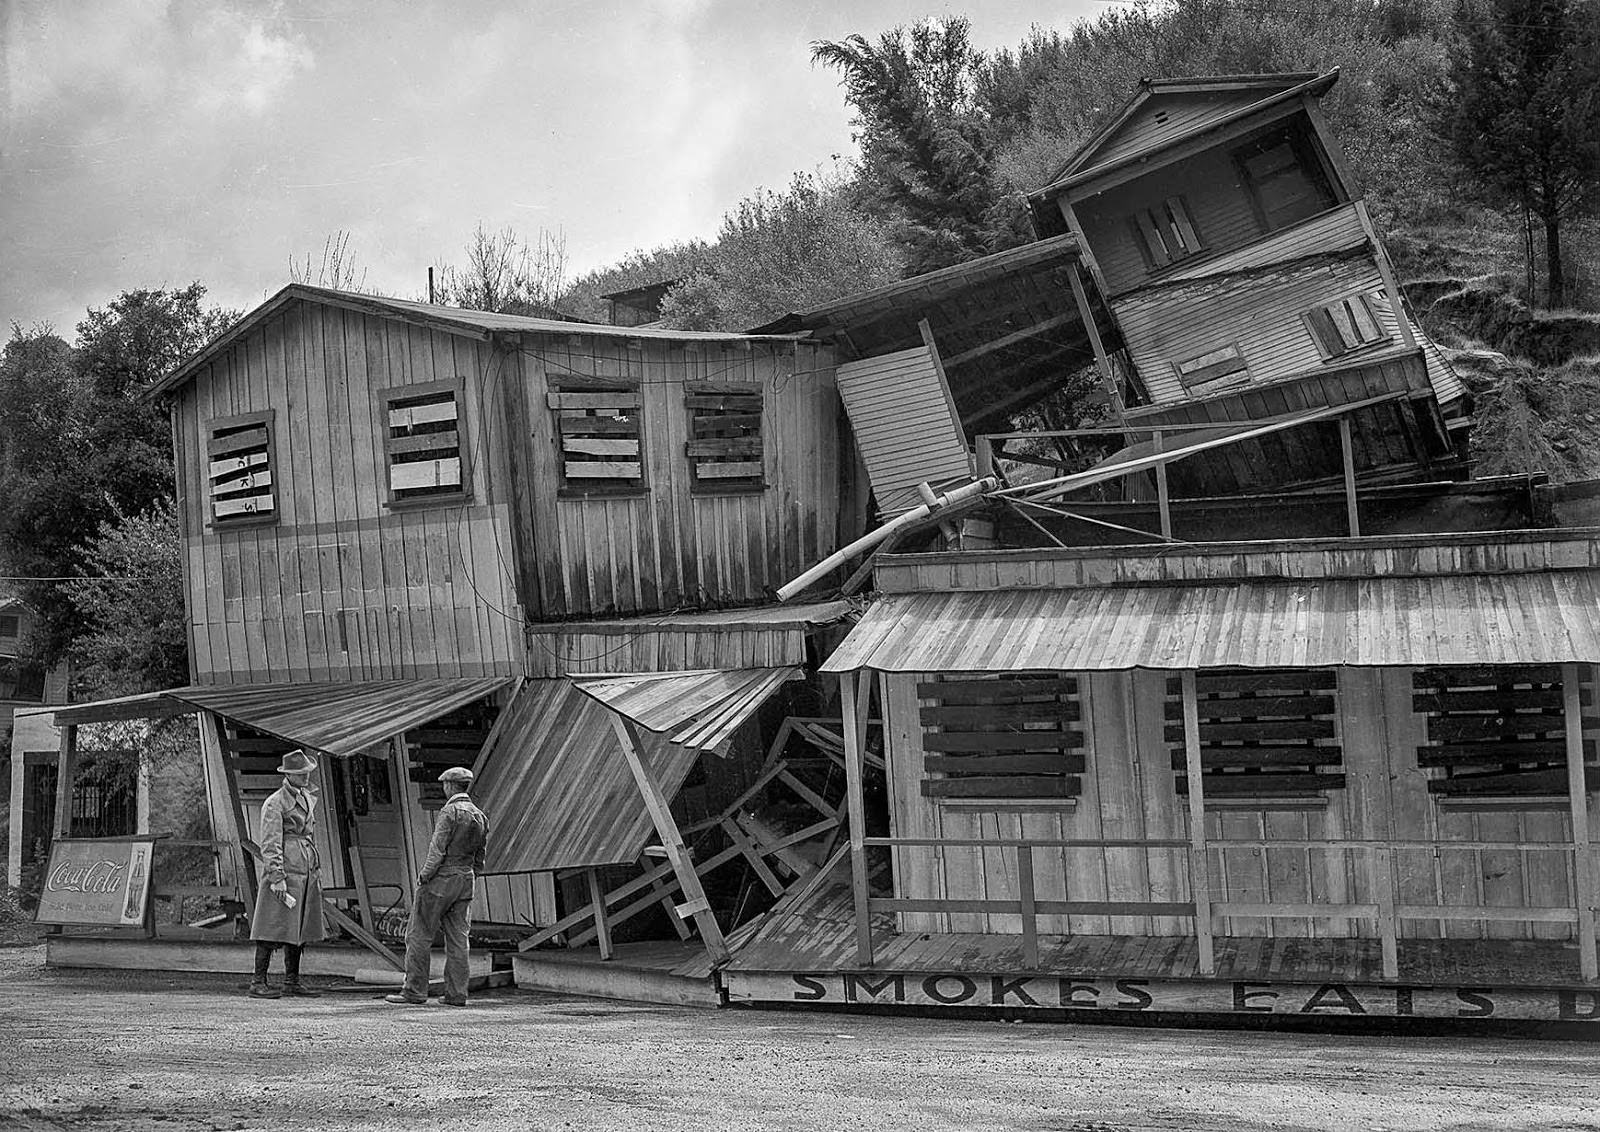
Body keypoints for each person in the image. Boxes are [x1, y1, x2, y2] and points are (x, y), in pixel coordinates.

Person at [386, 766, 488, 1007]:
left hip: (441, 878)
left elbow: (437, 850)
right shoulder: (479, 815)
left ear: (450, 786)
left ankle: (414, 991)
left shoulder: (449, 812)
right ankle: (457, 994)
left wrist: (424, 876)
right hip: (465, 879)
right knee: (458, 940)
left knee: (419, 934)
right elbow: (480, 858)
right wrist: (471, 876)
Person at [248, 749, 327, 999]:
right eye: (301, 773)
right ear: (289, 775)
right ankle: (258, 980)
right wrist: (277, 876)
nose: (306, 776)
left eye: (307, 772)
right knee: (272, 924)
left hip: (305, 869)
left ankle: (291, 980)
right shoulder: (275, 803)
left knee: (299, 925)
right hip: (286, 870)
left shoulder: (305, 797)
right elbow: (270, 842)